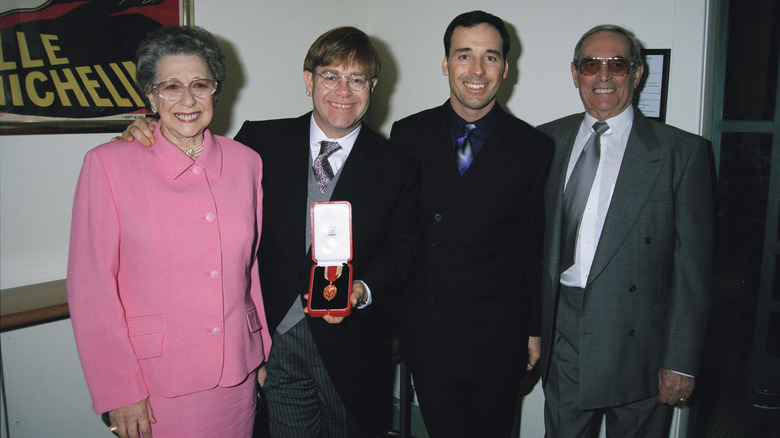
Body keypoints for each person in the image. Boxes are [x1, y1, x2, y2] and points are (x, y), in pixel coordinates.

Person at [120, 26, 422, 437]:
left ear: (372, 86)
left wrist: (363, 289)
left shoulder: (397, 166)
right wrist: (147, 133)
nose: (343, 91)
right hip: (273, 343)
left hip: (350, 346)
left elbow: (405, 249)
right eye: (330, 76)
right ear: (308, 80)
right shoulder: (257, 142)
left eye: (357, 79)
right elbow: (195, 158)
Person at [67, 25, 272, 438]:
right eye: (171, 86)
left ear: (216, 90)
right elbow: (92, 287)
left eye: (200, 84)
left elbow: (249, 269)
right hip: (154, 384)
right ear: (150, 95)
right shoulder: (108, 165)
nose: (187, 100)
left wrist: (261, 350)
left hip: (237, 374)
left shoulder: (246, 163)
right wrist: (118, 389)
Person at [536, 24, 713, 437]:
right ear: (575, 73)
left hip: (642, 351)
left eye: (616, 64)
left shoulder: (681, 153)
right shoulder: (545, 142)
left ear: (636, 74)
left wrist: (681, 361)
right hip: (563, 337)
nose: (602, 76)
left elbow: (694, 272)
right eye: (590, 65)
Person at [389, 11, 553, 438]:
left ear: (506, 68)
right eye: (464, 56)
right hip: (430, 328)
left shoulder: (533, 148)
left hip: (498, 334)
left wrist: (533, 330)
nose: (477, 71)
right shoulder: (407, 134)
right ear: (446, 63)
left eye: (490, 57)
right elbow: (398, 233)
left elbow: (532, 248)